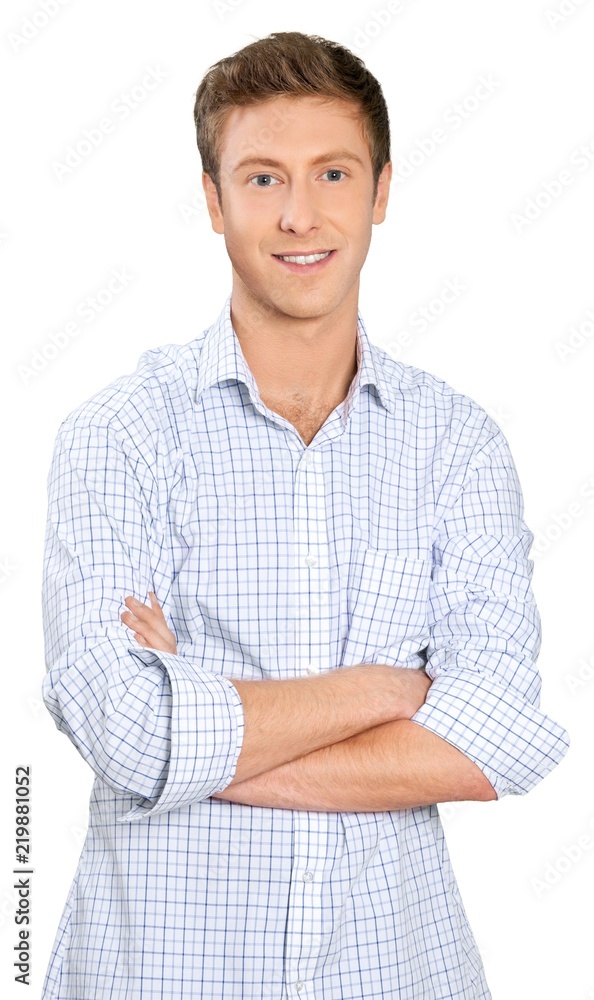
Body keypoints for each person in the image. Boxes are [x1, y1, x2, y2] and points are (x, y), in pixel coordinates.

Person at [40, 30, 570, 1000]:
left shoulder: (456, 445)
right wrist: (385, 689)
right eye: (262, 178)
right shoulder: (120, 434)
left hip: (399, 974)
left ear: (380, 191)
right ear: (213, 201)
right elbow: (125, 728)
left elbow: (489, 738)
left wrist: (195, 726)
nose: (299, 214)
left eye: (332, 173)